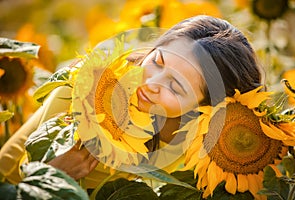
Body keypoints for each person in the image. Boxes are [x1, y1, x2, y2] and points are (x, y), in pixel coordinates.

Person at [0, 15, 263, 187]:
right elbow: (10, 169)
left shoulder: (191, 141)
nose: (152, 83)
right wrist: (54, 174)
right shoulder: (86, 86)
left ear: (203, 108)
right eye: (157, 61)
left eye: (175, 86)